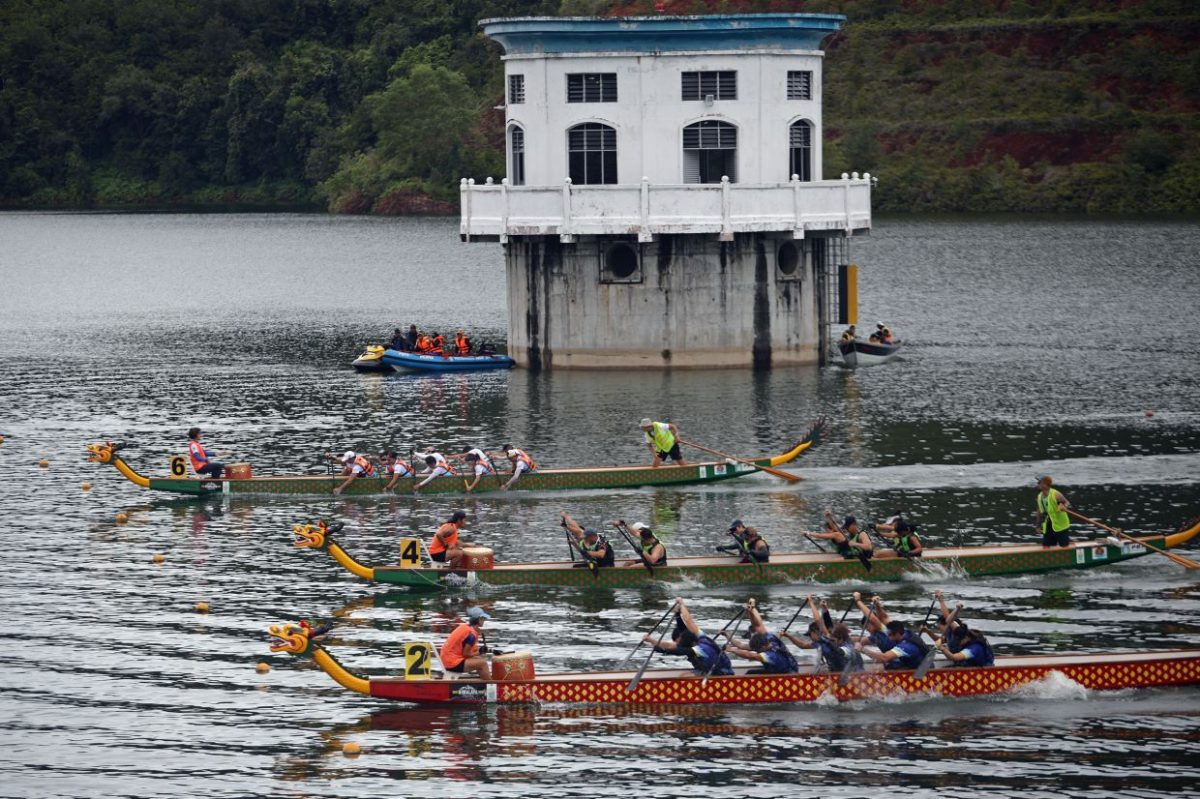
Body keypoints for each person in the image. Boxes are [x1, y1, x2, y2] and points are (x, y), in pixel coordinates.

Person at [644, 598, 733, 677]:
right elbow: (676, 641)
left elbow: (688, 621)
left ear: (687, 642)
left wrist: (682, 604)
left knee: (684, 676)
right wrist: (677, 615)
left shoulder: (700, 650)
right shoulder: (699, 636)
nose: (677, 644)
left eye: (679, 642)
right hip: (708, 670)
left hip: (721, 674)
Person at [781, 595, 863, 674]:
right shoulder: (823, 641)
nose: (810, 637)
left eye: (810, 634)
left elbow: (818, 621)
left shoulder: (838, 642)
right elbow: (803, 645)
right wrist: (788, 636)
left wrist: (811, 601)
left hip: (852, 675)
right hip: (836, 671)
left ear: (816, 632)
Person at [724, 600, 799, 674]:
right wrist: (751, 610)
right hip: (776, 670)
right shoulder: (768, 638)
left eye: (757, 650)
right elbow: (757, 625)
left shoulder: (771, 655)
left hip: (788, 675)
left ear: (763, 647)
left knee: (752, 675)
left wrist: (732, 650)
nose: (756, 651)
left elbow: (751, 656)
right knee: (750, 673)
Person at [439, 606, 491, 680]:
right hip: (452, 663)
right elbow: (466, 654)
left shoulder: (465, 627)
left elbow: (468, 651)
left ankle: (484, 682)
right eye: (483, 618)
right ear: (478, 620)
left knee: (479, 659)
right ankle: (491, 686)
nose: (484, 620)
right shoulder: (472, 635)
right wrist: (479, 652)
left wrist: (479, 653)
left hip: (447, 659)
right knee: (483, 663)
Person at [808, 511, 874, 568]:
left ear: (854, 525)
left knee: (831, 562)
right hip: (853, 555)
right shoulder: (850, 533)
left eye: (848, 527)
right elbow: (835, 528)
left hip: (863, 558)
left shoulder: (862, 534)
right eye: (846, 527)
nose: (847, 529)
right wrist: (829, 517)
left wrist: (855, 544)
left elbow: (868, 547)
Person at [860, 619, 930, 671]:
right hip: (910, 664)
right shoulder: (903, 632)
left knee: (881, 666)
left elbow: (884, 658)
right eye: (887, 634)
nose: (888, 637)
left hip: (922, 672)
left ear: (898, 634)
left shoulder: (906, 647)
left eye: (890, 635)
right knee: (881, 666)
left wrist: (862, 649)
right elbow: (883, 618)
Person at [1035, 475, 1071, 547]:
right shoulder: (1039, 496)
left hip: (1061, 525)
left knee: (1064, 546)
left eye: (1039, 482)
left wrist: (1063, 506)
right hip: (1048, 525)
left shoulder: (1055, 494)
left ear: (1045, 484)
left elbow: (1067, 503)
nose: (1037, 484)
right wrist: (1038, 525)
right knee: (1046, 546)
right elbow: (1039, 511)